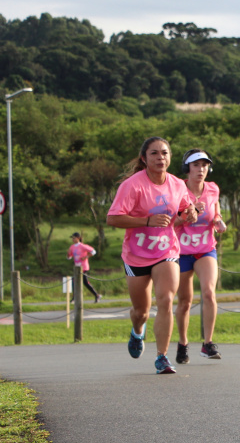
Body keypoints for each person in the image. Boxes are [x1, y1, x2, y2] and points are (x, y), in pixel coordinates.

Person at [107, 137, 197, 374]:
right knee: (141, 312)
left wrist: (191, 213)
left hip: (166, 250)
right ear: (144, 158)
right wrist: (146, 221)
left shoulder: (177, 184)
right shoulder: (132, 185)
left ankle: (162, 357)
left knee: (166, 300)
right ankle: (137, 331)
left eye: (165, 153)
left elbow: (186, 207)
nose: (161, 158)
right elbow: (113, 218)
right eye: (155, 153)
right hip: (136, 255)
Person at [174, 149, 227, 364]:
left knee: (209, 293)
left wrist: (218, 220)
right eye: (196, 165)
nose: (201, 169)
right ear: (188, 168)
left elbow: (215, 210)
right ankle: (183, 344)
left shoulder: (213, 188)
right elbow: (172, 221)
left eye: (204, 165)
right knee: (185, 301)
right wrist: (191, 211)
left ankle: (208, 343)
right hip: (181, 251)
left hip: (206, 248)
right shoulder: (178, 189)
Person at [67, 232, 101, 303]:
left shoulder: (82, 246)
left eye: (74, 238)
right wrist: (68, 254)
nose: (73, 239)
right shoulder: (72, 247)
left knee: (84, 282)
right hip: (77, 267)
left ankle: (96, 295)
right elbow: (69, 257)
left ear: (78, 238)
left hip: (83, 267)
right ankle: (75, 298)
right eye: (72, 238)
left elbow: (93, 251)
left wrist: (86, 256)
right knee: (75, 282)